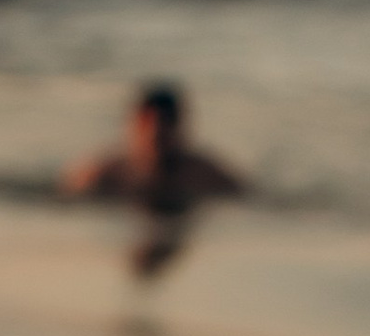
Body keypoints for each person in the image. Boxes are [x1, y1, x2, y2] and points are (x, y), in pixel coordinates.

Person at [61, 78, 248, 281]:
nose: (158, 139)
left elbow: (247, 197)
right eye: (151, 130)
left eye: (165, 129)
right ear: (135, 126)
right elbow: (65, 195)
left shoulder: (205, 174)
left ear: (180, 127)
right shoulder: (103, 174)